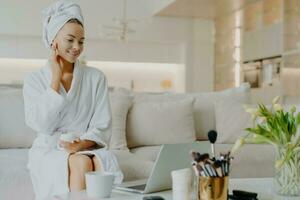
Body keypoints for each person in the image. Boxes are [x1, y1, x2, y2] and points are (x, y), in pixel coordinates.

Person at [23, 1, 123, 199]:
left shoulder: (96, 78)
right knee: (81, 163)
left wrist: (81, 144)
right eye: (70, 40)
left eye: (82, 41)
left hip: (86, 145)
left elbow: (102, 125)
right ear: (54, 40)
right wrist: (55, 79)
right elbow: (41, 125)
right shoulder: (34, 80)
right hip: (50, 150)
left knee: (95, 160)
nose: (77, 47)